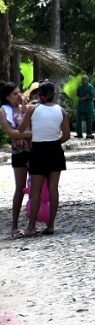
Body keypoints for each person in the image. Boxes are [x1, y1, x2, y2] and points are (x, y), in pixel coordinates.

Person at [18, 80, 70, 237]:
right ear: (54, 94)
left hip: (38, 150)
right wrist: (54, 142)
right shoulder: (61, 111)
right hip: (55, 150)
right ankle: (51, 225)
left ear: (39, 94)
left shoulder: (33, 110)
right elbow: (66, 135)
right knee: (54, 189)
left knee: (36, 191)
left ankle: (31, 226)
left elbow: (21, 129)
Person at [0, 82, 33, 238]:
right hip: (19, 152)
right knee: (20, 188)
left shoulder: (27, 108)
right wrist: (32, 134)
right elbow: (11, 133)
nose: (19, 96)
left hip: (33, 151)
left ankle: (32, 224)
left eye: (19, 92)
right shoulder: (4, 111)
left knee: (36, 187)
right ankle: (14, 226)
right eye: (15, 94)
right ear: (7, 97)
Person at [75, 75, 95, 139]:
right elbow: (77, 94)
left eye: (85, 79)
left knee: (89, 120)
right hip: (81, 106)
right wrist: (79, 98)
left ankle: (89, 134)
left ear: (87, 80)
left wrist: (86, 97)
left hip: (88, 106)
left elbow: (93, 95)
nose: (84, 81)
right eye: (83, 79)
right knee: (78, 119)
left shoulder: (90, 87)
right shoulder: (80, 87)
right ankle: (79, 134)